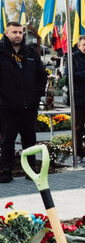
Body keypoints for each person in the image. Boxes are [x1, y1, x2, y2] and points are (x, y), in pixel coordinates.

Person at [0, 22, 47, 183]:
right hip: (7, 108)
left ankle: (31, 170)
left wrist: (37, 95)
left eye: (20, 32)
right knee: (7, 141)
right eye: (14, 32)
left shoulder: (31, 53)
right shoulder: (1, 52)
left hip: (29, 107)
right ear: (6, 33)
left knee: (30, 141)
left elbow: (42, 76)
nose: (18, 35)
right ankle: (6, 171)